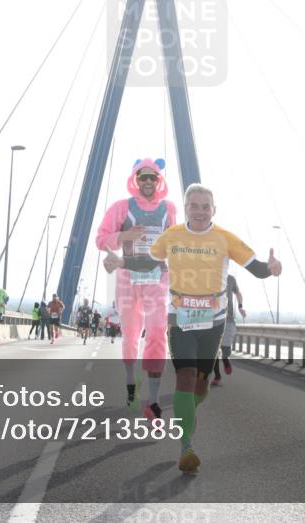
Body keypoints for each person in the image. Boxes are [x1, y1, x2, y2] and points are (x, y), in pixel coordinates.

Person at [104, 183, 281, 473]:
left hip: (214, 322)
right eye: (194, 206)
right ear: (185, 209)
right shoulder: (171, 236)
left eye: (205, 206)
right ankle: (186, 446)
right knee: (184, 377)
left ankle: (189, 408)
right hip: (180, 319)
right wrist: (121, 260)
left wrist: (272, 268)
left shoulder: (225, 238)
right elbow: (148, 261)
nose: (199, 212)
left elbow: (257, 268)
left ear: (214, 210)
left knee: (200, 386)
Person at [96, 158, 177, 420]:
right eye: (143, 177)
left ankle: (152, 403)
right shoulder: (121, 208)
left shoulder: (169, 209)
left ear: (159, 180)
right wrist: (124, 237)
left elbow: (174, 244)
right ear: (135, 179)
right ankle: (131, 384)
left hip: (157, 278)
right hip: (127, 279)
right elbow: (100, 239)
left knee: (156, 333)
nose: (148, 181)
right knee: (131, 336)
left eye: (153, 177)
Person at [212, 274, 245, 386]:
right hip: (211, 319)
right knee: (213, 350)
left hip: (228, 318)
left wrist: (240, 307)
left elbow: (238, 293)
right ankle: (217, 376)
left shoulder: (230, 278)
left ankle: (225, 358)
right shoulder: (208, 276)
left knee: (226, 347)